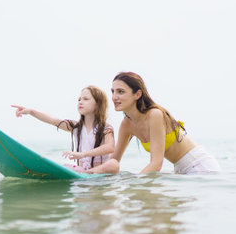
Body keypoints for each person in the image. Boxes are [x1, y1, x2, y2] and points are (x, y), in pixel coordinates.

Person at [86, 72, 221, 174]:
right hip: (180, 170)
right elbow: (113, 161)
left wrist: (134, 184)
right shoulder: (126, 124)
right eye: (113, 91)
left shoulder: (154, 115)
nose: (114, 97)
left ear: (137, 94)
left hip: (199, 164)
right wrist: (90, 173)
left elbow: (156, 164)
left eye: (120, 92)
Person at [12, 86, 115, 173]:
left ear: (98, 104)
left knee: (113, 164)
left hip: (99, 173)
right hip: (81, 171)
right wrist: (31, 111)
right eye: (79, 99)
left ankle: (89, 173)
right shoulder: (76, 127)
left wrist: (83, 154)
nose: (80, 102)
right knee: (62, 166)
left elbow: (110, 147)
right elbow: (54, 121)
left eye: (85, 99)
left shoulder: (106, 128)